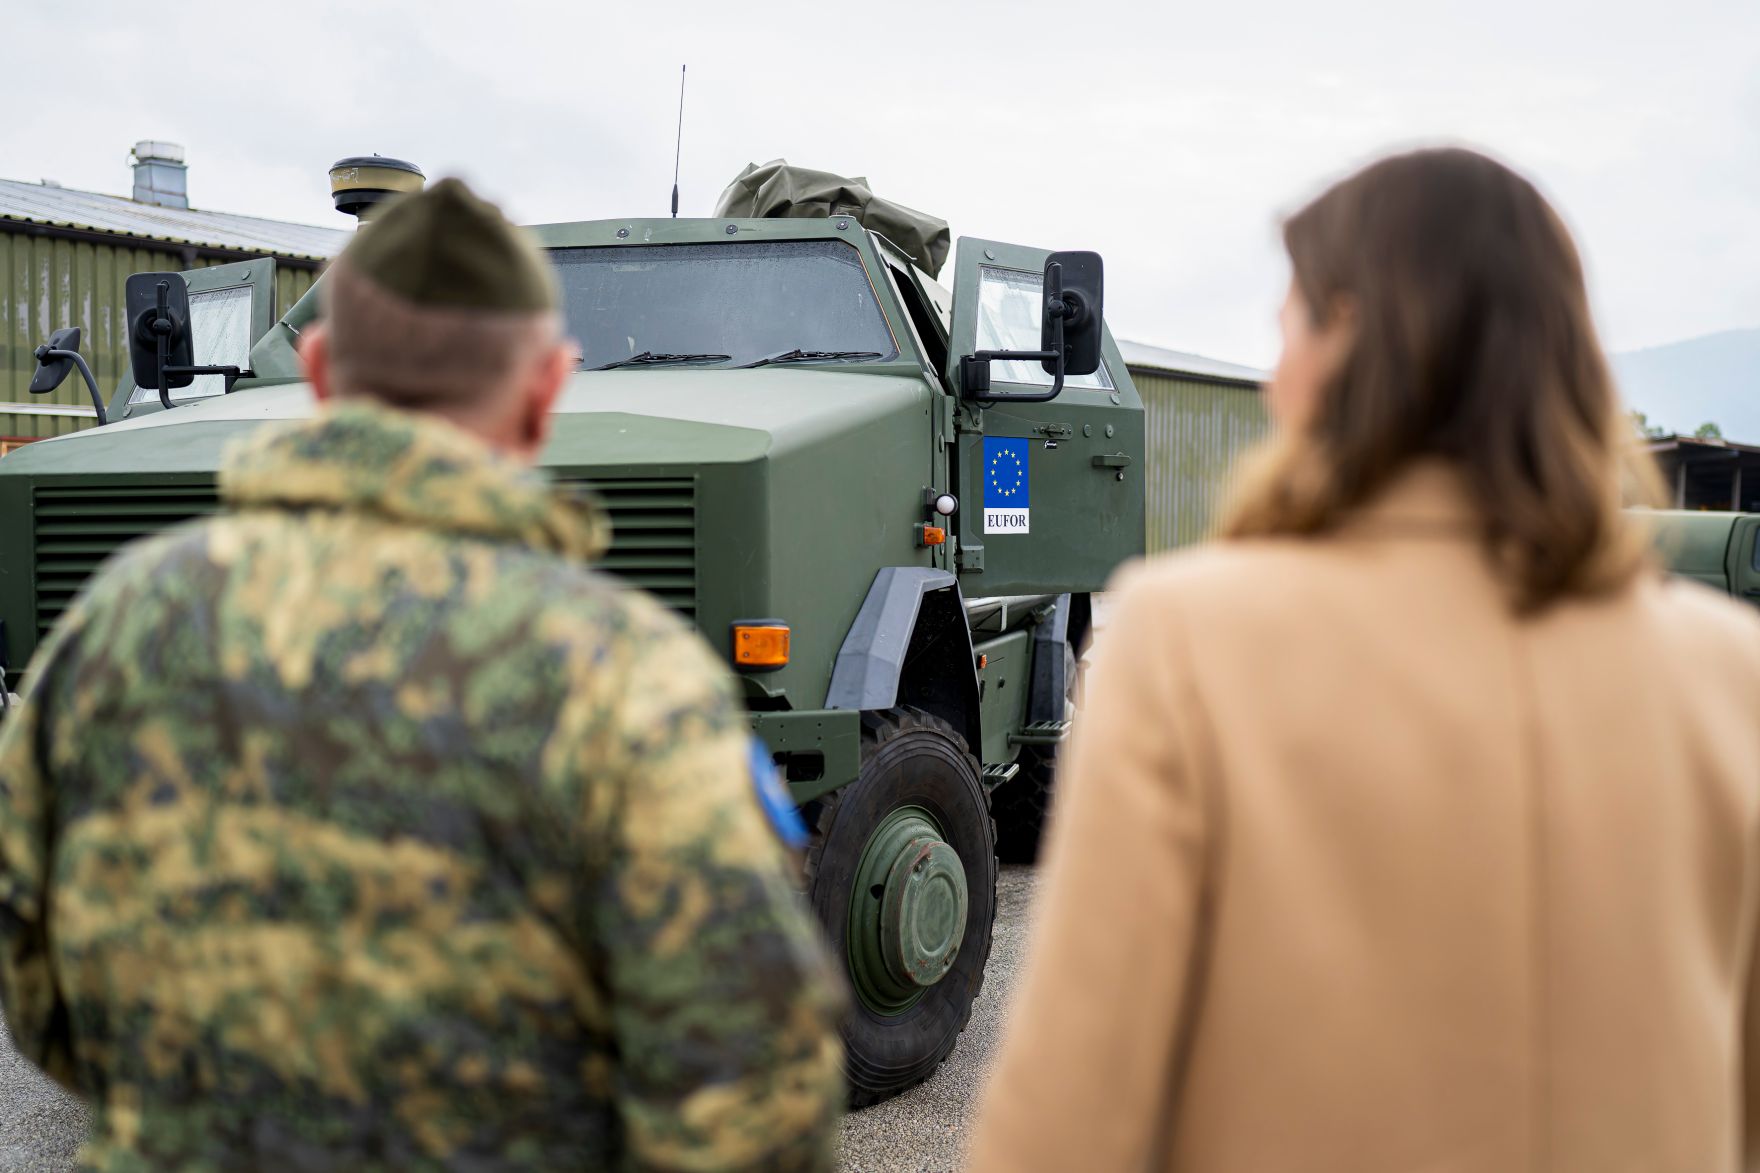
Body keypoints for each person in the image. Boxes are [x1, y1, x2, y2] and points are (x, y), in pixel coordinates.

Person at [0, 178, 844, 1171]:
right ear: (545, 389)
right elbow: (754, 1097)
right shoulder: (624, 676)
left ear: (316, 373)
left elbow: (38, 994)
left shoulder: (116, 629)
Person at [967, 147, 1760, 1171]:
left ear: (1346, 337)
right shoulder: (1727, 674)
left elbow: (1067, 1124)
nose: (1276, 367)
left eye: (1289, 322)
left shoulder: (1182, 648)